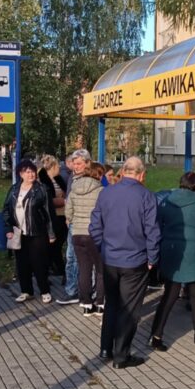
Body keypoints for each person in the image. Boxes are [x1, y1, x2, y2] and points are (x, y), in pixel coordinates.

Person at [89, 156, 160, 369]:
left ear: (123, 172)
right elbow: (152, 231)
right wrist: (152, 258)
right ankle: (121, 356)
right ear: (141, 174)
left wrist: (103, 247)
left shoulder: (106, 192)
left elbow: (94, 225)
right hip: (135, 261)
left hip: (110, 258)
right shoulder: (146, 196)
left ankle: (105, 349)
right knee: (129, 309)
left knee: (111, 304)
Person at [148, 172, 195, 351]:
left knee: (169, 295)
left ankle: (156, 335)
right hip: (194, 254)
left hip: (171, 252)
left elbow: (157, 225)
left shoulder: (168, 200)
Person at [2, 158, 56, 303]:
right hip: (18, 233)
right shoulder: (14, 189)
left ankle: (45, 290)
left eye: (32, 172)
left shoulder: (42, 189)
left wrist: (51, 233)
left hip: (37, 232)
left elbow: (49, 213)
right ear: (21, 174)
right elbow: (6, 210)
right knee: (22, 263)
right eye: (27, 172)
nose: (31, 175)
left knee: (39, 263)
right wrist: (8, 228)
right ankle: (26, 291)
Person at [65, 157, 104, 317]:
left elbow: (68, 212)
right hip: (94, 235)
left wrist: (73, 222)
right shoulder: (101, 190)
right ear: (98, 175)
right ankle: (100, 303)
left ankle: (86, 304)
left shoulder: (74, 188)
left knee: (84, 269)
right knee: (101, 270)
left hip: (77, 234)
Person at [40, 155, 75, 301]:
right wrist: (63, 200)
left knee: (60, 244)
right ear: (52, 167)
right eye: (57, 166)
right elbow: (46, 200)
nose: (60, 168)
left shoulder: (58, 179)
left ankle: (58, 269)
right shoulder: (43, 181)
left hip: (62, 215)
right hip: (53, 216)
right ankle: (51, 270)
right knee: (53, 245)